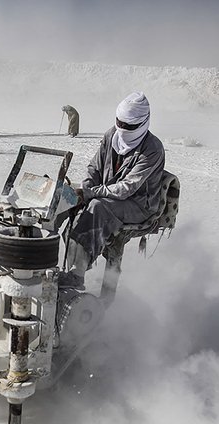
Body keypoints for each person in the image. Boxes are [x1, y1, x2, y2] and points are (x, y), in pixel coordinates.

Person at [61, 91, 165, 288]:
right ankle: (46, 260)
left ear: (143, 123)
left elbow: (127, 188)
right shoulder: (111, 135)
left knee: (97, 207)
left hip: (138, 204)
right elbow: (95, 168)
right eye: (120, 123)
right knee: (64, 197)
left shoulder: (152, 148)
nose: (123, 129)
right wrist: (84, 190)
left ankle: (77, 274)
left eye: (129, 126)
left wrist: (90, 194)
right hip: (109, 193)